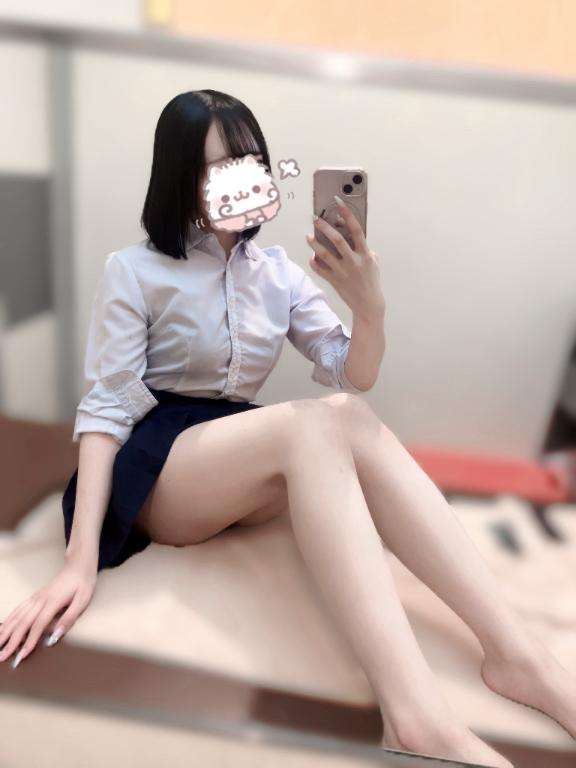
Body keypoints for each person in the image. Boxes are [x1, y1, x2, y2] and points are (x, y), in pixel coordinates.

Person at [1, 90, 574, 767]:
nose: (238, 182)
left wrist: (370, 309)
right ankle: (416, 717)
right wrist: (78, 562)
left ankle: (518, 656)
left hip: (233, 454)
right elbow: (107, 408)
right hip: (157, 459)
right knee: (316, 423)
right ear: (178, 174)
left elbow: (353, 376)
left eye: (248, 163)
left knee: (344, 417)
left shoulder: (277, 274)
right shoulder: (136, 270)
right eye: (216, 168)